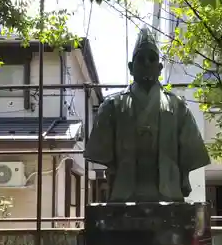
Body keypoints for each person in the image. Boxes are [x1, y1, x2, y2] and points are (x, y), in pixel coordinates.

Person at [85, 26, 210, 203]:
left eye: (152, 59)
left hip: (168, 192)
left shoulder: (178, 107)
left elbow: (191, 152)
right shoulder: (111, 107)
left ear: (159, 67)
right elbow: (101, 151)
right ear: (130, 67)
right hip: (125, 192)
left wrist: (183, 175)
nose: (146, 64)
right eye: (140, 59)